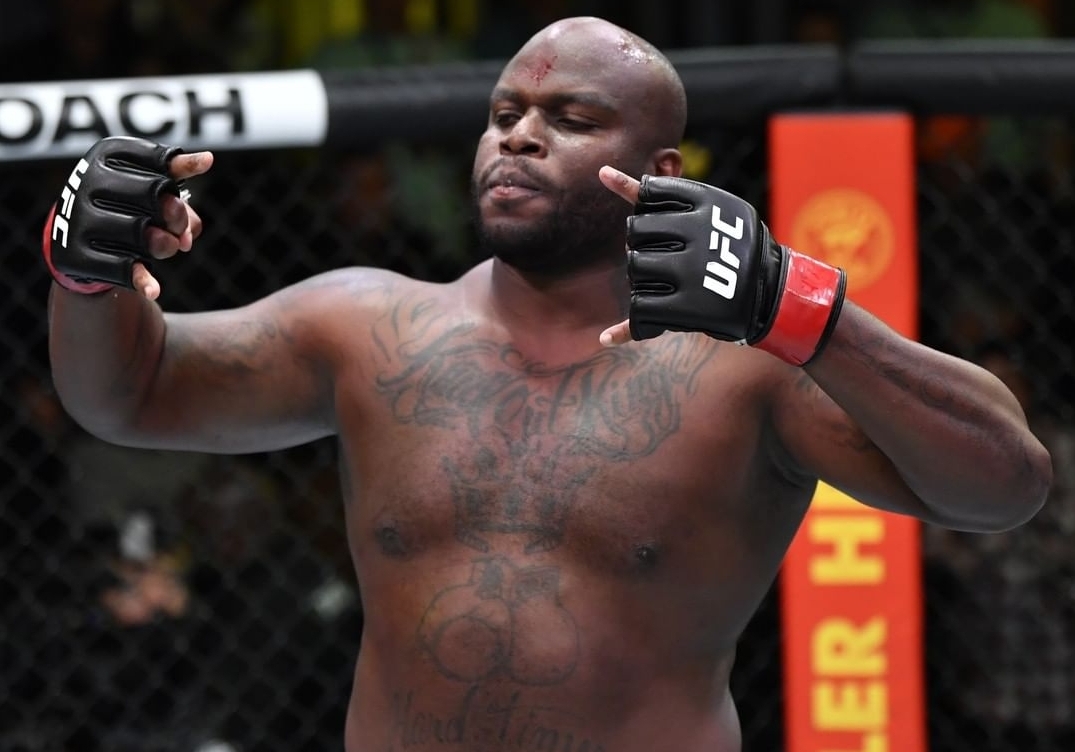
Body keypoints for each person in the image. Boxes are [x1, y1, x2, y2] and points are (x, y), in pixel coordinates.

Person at [41, 15, 1051, 752]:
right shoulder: (367, 327)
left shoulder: (743, 371)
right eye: (504, 113)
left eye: (570, 117)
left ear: (660, 171)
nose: (518, 136)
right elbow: (129, 392)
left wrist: (801, 308)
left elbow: (1003, 484)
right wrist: (88, 278)